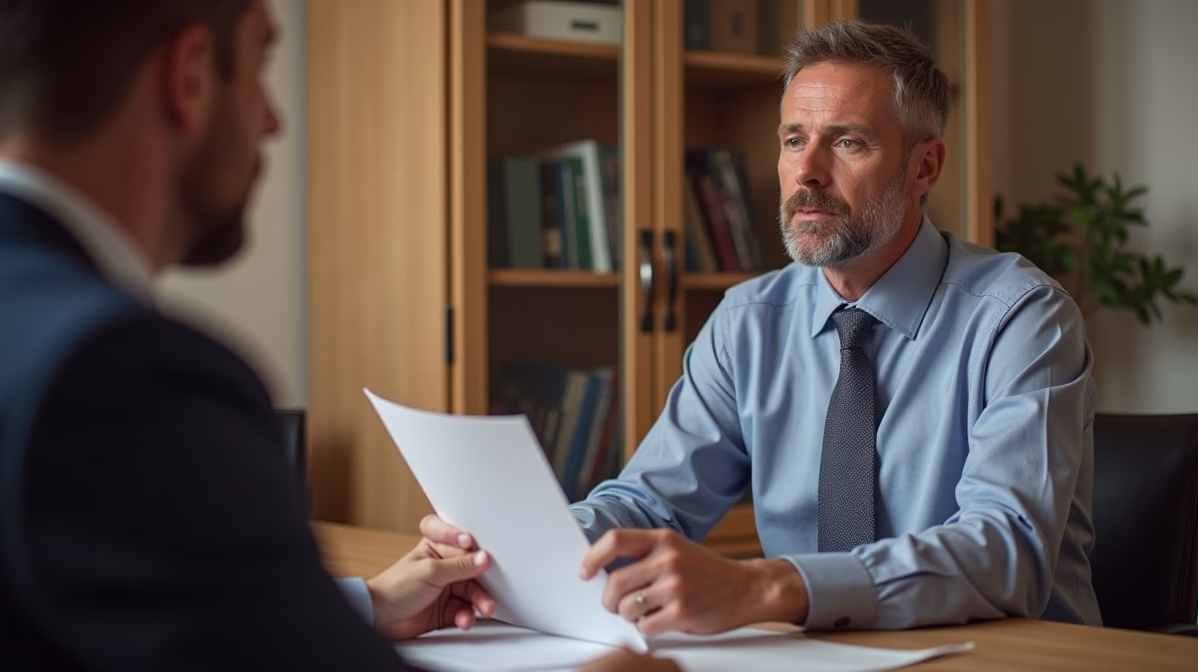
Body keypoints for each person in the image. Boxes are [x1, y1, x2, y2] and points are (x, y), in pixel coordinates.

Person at [0, 1, 676, 670]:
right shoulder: (118, 374)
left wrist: (365, 605)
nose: (273, 119)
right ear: (192, 75)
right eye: (261, 64)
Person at [425, 20, 1102, 635]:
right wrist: (506, 547)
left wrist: (768, 583)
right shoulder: (747, 322)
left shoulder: (1020, 317)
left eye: (847, 141)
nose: (805, 172)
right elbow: (649, 503)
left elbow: (1006, 549)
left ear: (924, 166)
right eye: (792, 139)